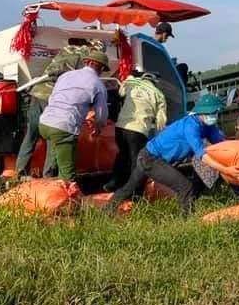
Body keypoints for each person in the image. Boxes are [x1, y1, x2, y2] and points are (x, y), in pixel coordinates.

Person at [108, 93, 239, 216]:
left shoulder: (208, 126)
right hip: (150, 158)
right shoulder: (191, 126)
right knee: (185, 187)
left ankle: (106, 211)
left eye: (216, 112)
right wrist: (226, 170)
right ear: (203, 112)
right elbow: (202, 155)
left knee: (130, 187)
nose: (215, 115)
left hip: (151, 157)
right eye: (213, 112)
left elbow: (223, 146)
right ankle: (186, 221)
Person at [16, 38, 102, 177]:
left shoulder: (65, 51)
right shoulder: (85, 58)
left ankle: (20, 172)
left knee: (31, 134)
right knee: (54, 136)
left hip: (37, 92)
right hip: (52, 95)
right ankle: (49, 175)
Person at [37, 49, 110, 183]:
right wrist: (98, 128)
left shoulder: (66, 75)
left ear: (86, 62)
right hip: (64, 127)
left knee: (56, 154)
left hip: (45, 123)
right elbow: (101, 115)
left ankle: (49, 185)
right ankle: (66, 193)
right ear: (101, 68)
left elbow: (53, 97)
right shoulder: (98, 84)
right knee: (68, 175)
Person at [104, 71, 168, 192]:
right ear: (155, 82)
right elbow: (161, 121)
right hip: (138, 130)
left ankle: (113, 183)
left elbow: (121, 92)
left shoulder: (131, 83)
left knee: (122, 154)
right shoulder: (158, 94)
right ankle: (134, 191)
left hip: (121, 127)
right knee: (136, 160)